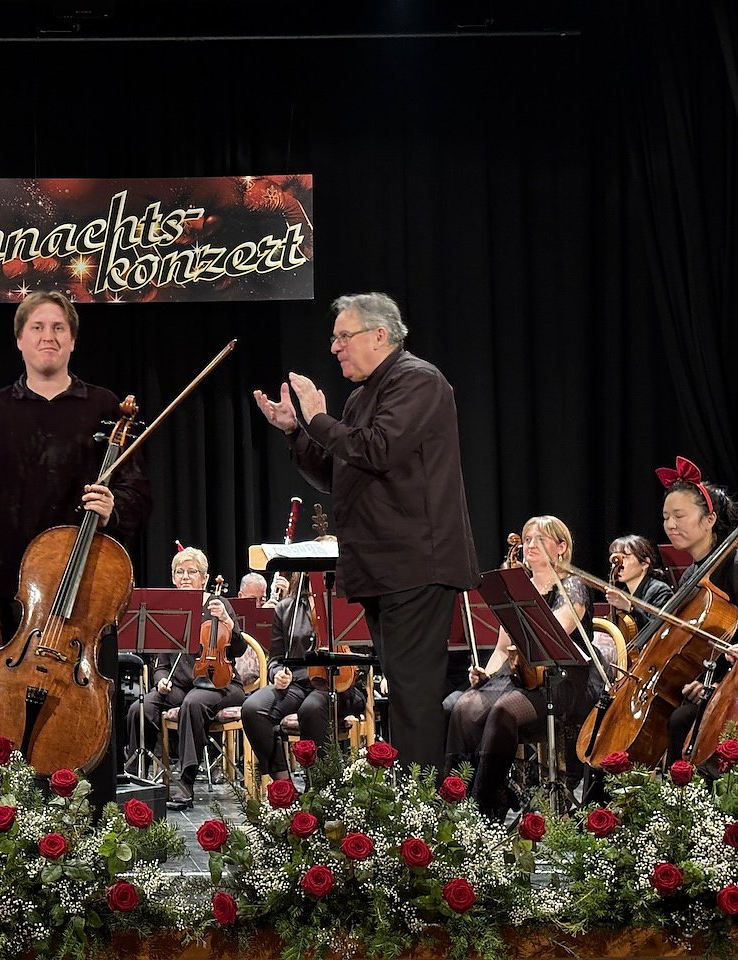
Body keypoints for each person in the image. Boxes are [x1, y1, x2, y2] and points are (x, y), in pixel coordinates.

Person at [253, 292, 478, 771]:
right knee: (402, 692)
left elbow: (377, 449)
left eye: (343, 336)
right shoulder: (362, 397)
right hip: (382, 566)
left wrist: (318, 418)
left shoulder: (418, 380)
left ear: (379, 335)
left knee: (413, 695)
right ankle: (412, 797)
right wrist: (296, 430)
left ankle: (423, 804)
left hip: (416, 564)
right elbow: (336, 472)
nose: (334, 347)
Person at [0, 289, 151, 802]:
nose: (48, 337)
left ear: (73, 340)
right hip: (17, 604)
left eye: (59, 327)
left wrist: (114, 507)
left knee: (89, 748)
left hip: (86, 605)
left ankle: (92, 837)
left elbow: (139, 494)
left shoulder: (104, 408)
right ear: (19, 339)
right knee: (7, 745)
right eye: (37, 327)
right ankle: (8, 836)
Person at [445, 516, 602, 819]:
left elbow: (553, 635)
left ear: (561, 547)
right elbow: (503, 648)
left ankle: (483, 805)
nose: (530, 544)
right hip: (522, 674)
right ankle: (456, 799)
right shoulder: (519, 588)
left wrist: (522, 600)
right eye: (527, 538)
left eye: (540, 539)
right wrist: (487, 673)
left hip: (563, 678)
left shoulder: (573, 586)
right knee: (463, 707)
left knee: (503, 711)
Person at [124, 547, 247, 810]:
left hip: (220, 682)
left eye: (192, 572)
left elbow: (238, 649)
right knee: (140, 708)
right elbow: (161, 663)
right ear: (173, 577)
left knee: (193, 703)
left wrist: (228, 621)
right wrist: (160, 680)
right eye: (180, 572)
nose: (186, 577)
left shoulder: (218, 605)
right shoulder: (169, 610)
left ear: (204, 577)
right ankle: (135, 776)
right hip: (181, 686)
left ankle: (186, 780)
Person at [240, 573, 367, 783]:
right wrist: (277, 673)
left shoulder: (349, 601)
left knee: (311, 708)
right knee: (253, 708)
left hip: (340, 683)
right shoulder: (286, 608)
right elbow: (276, 659)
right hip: (297, 684)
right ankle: (283, 785)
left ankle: (320, 786)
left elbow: (365, 651)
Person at [655, 460, 738, 764]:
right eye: (666, 517)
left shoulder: (733, 563)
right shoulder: (693, 573)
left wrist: (714, 683)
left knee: (681, 720)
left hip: (733, 681)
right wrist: (701, 677)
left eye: (679, 516)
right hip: (711, 676)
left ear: (709, 519)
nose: (670, 525)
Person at [605, 534, 673, 650]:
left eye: (624, 557)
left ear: (645, 563)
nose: (617, 565)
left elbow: (660, 632)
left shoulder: (659, 590)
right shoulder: (624, 593)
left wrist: (629, 608)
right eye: (615, 559)